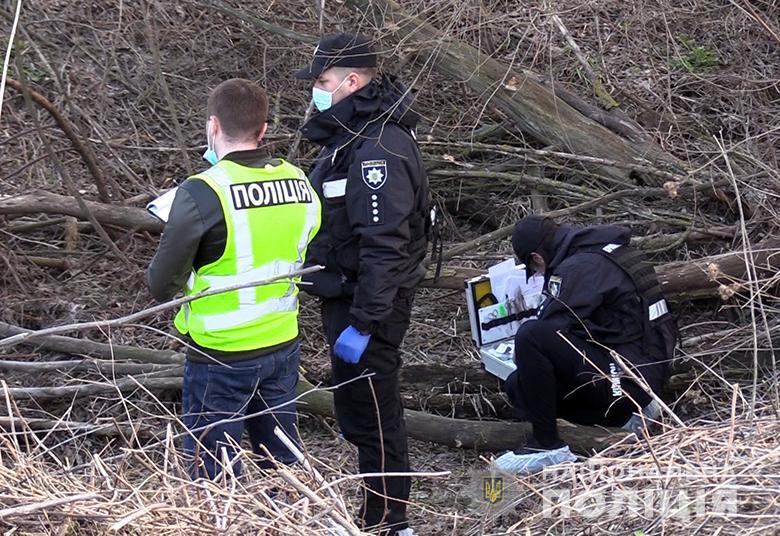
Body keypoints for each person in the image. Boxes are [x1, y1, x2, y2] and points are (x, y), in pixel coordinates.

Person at [147, 78, 321, 479]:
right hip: (282, 343)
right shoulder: (300, 181)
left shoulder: (202, 192)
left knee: (213, 474)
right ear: (263, 130)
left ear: (212, 126)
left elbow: (161, 284)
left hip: (221, 355)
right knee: (283, 463)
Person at [294, 33, 430, 536]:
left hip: (368, 307)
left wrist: (367, 321)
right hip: (348, 301)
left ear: (352, 81)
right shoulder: (349, 139)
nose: (317, 93)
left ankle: (391, 521)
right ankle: (374, 516)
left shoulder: (377, 147)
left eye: (324, 83)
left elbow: (385, 243)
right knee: (357, 411)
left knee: (375, 414)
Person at [495, 216, 677, 474]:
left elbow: (547, 331)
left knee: (530, 336)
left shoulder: (578, 268)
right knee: (518, 385)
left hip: (624, 386)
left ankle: (547, 446)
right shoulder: (606, 251)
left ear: (537, 258)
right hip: (644, 374)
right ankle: (634, 411)